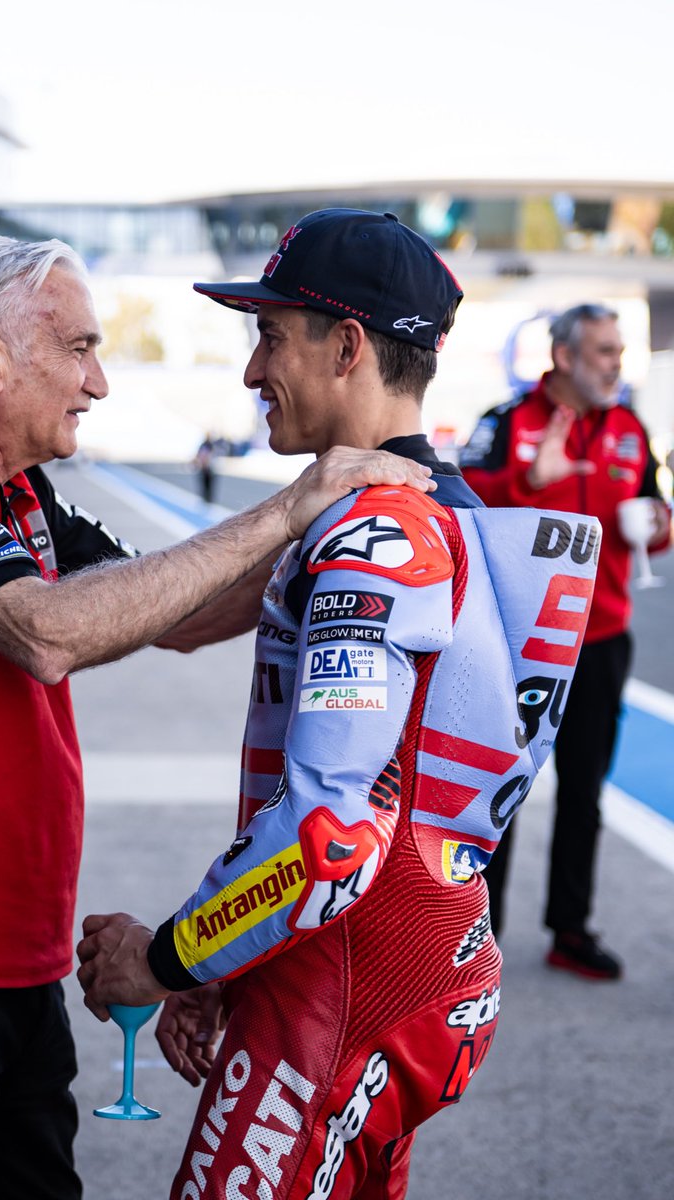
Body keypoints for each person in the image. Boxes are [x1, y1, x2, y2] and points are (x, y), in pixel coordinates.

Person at [0, 233, 438, 1200]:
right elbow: (46, 631)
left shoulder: (19, 493)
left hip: (13, 957)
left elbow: (177, 612)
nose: (98, 382)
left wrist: (352, 517)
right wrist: (289, 509)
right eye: (80, 349)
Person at [76, 209, 600, 1200]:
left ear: (346, 345)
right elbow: (392, 795)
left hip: (342, 991)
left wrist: (169, 958)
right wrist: (233, 961)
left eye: (269, 337)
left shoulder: (373, 533)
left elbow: (326, 838)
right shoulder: (450, 509)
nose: (249, 372)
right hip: (405, 961)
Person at [459, 304, 671, 979]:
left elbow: (653, 520)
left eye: (618, 350)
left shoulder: (631, 430)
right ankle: (474, 939)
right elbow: (458, 507)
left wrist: (660, 526)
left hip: (603, 636)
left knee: (585, 791)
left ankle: (569, 929)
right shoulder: (505, 423)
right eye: (604, 351)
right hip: (518, 641)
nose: (615, 363)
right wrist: (528, 482)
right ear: (564, 356)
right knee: (498, 793)